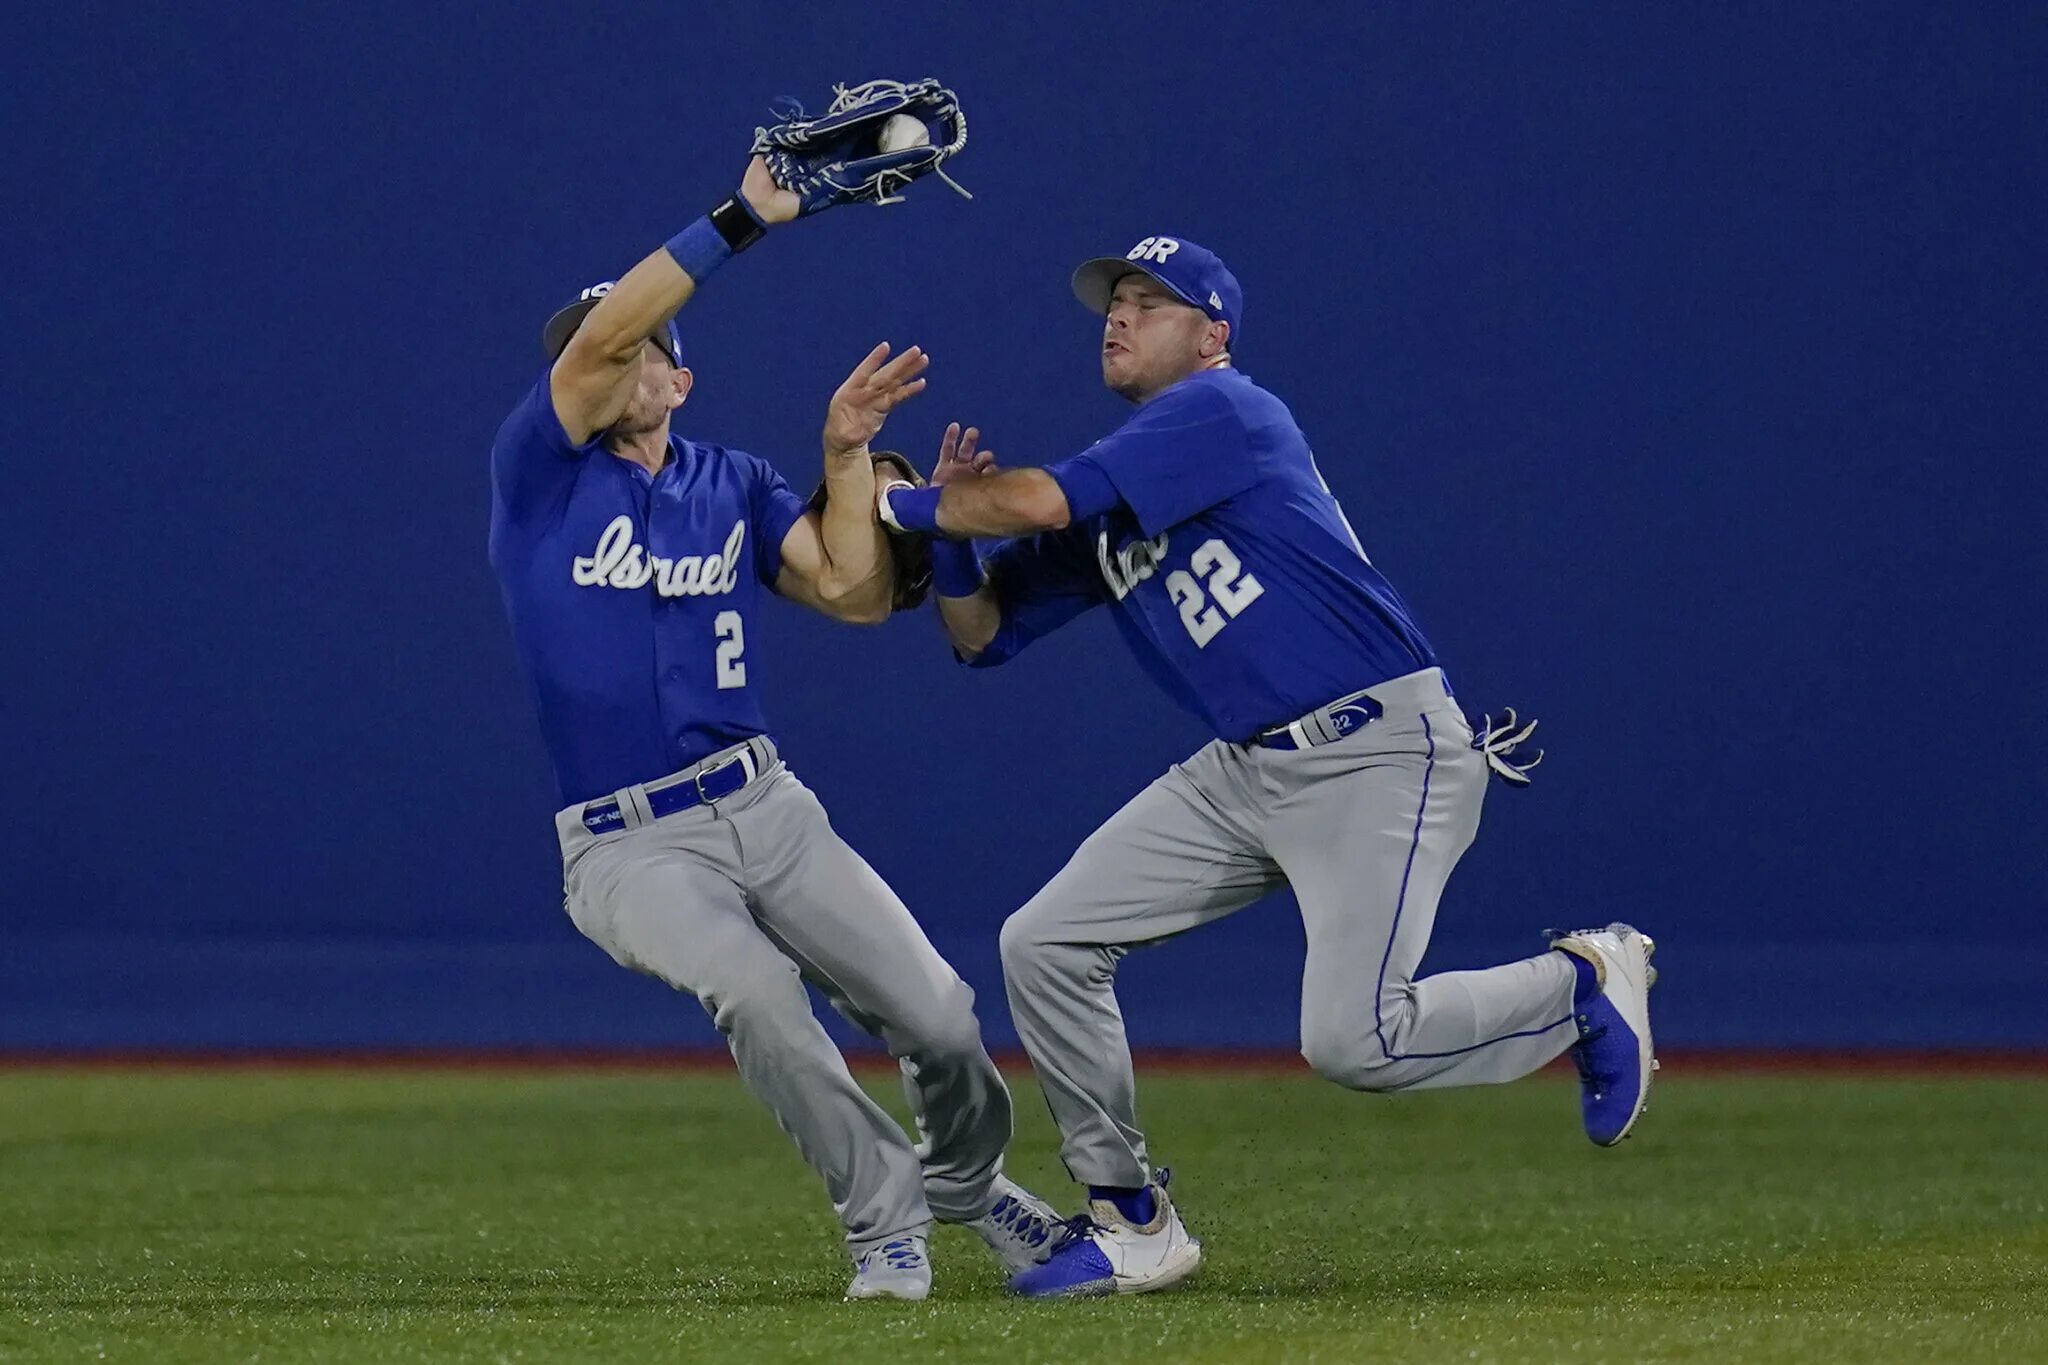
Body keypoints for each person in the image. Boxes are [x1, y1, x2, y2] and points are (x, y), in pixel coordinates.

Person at [874, 234, 1658, 1298]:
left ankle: (1581, 982)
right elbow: (981, 637)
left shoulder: (1224, 412)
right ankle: (1131, 1218)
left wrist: (906, 505)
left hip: (1377, 750)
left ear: (1212, 336)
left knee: (1354, 1043)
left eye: (1149, 303)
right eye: (1112, 301)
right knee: (1046, 943)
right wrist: (956, 541)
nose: (1116, 315)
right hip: (1242, 771)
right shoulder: (1125, 483)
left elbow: (1041, 501)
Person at [486, 154, 1060, 1302]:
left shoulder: (731, 481)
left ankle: (963, 1186)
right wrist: (745, 216)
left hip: (765, 807)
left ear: (680, 381)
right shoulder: (538, 474)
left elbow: (851, 594)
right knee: (753, 996)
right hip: (625, 844)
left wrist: (843, 454)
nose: (596, 353)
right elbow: (596, 348)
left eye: (638, 341)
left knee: (941, 1020)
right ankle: (884, 1226)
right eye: (588, 345)